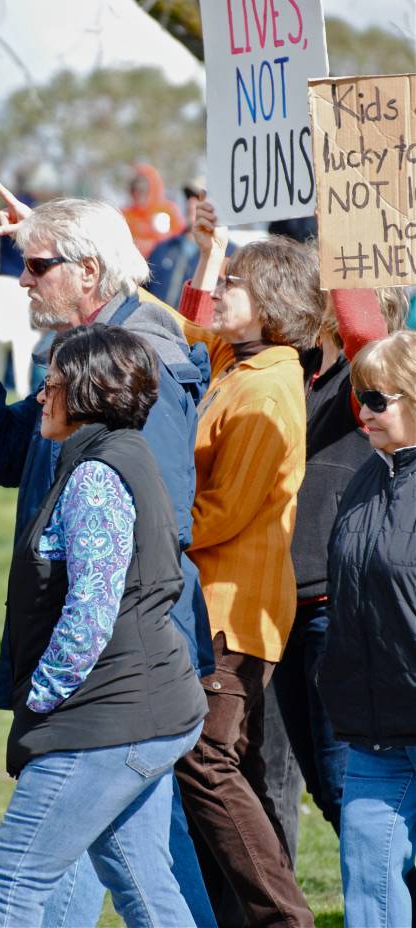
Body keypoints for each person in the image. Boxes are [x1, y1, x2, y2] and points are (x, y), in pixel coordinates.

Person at [0, 186, 216, 927]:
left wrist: (52, 693)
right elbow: (10, 455)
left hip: (114, 672)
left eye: (37, 265)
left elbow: (143, 544)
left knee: (25, 878)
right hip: (111, 673)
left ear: (88, 271)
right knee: (138, 871)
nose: (23, 279)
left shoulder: (138, 364)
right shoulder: (82, 362)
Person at [0, 323, 208, 927]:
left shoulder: (97, 476)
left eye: (50, 384)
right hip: (146, 708)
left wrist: (42, 698)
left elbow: (90, 613)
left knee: (12, 880)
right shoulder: (118, 454)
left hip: (110, 716)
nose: (39, 397)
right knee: (141, 880)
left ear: (85, 392)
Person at [169, 197, 324, 927]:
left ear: (272, 302)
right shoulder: (239, 360)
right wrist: (210, 252)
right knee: (225, 768)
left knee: (205, 760)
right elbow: (185, 333)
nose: (223, 290)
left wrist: (150, 533)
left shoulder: (267, 386)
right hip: (217, 602)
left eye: (236, 281)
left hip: (237, 609)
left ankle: (283, 918)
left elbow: (225, 512)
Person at [263, 283, 408, 859]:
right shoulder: (296, 369)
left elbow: (363, 338)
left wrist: (340, 252)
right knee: (315, 783)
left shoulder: (365, 382)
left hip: (330, 607)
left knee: (344, 784)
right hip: (280, 603)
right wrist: (208, 257)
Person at [317, 330, 416, 928]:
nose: (364, 412)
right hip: (374, 732)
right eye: (360, 397)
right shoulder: (366, 478)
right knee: (368, 892)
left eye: (378, 399)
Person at [122, 163, 186, 259]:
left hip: (164, 261)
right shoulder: (125, 215)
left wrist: (154, 244)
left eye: (143, 189)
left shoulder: (168, 210)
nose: (138, 194)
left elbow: (180, 238)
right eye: (134, 189)